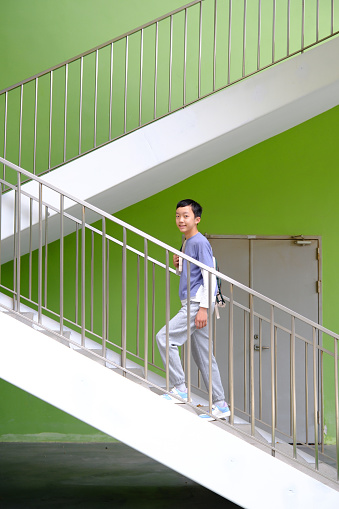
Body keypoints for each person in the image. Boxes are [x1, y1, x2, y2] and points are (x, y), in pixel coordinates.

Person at [156, 199, 230, 419]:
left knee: (164, 338)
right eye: (178, 215)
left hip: (196, 303)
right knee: (205, 357)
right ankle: (220, 405)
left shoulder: (198, 242)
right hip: (194, 302)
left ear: (196, 219)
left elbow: (210, 275)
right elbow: (194, 274)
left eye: (186, 216)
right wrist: (179, 265)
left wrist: (204, 308)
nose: (181, 220)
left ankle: (179, 388)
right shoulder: (187, 242)